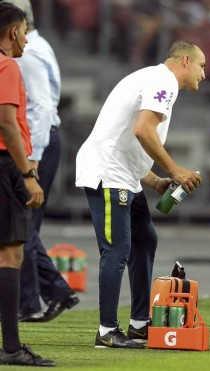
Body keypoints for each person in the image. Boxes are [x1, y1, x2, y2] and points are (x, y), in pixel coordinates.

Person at [75, 40, 205, 349]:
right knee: (117, 249)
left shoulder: (151, 78)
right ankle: (106, 332)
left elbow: (122, 134)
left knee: (146, 239)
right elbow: (143, 131)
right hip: (108, 174)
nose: (204, 74)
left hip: (124, 175)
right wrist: (175, 170)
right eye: (202, 66)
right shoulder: (164, 82)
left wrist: (154, 180)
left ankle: (138, 325)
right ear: (185, 61)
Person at [2, 0, 79, 323]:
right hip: (34, 143)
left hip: (33, 145)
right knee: (23, 226)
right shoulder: (39, 47)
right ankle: (48, 293)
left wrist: (30, 163)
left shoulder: (27, 55)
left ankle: (29, 300)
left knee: (23, 226)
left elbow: (41, 109)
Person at [0, 2, 55, 366]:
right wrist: (28, 174)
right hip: (6, 166)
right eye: (23, 31)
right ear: (13, 32)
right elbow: (7, 122)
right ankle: (12, 348)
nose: (26, 38)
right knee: (10, 254)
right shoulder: (7, 65)